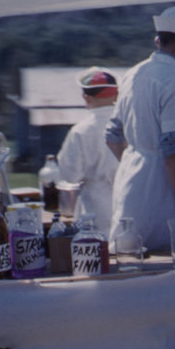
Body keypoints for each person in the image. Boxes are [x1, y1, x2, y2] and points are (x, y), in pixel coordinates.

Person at [105, 5, 175, 251]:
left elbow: (112, 135)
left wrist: (139, 160)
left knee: (127, 254)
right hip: (159, 188)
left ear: (158, 41)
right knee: (162, 260)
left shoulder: (134, 73)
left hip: (129, 177)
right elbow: (172, 154)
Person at [56, 67, 119, 232]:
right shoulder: (131, 124)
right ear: (116, 95)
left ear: (86, 97)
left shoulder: (81, 130)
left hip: (95, 209)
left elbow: (70, 175)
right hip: (129, 201)